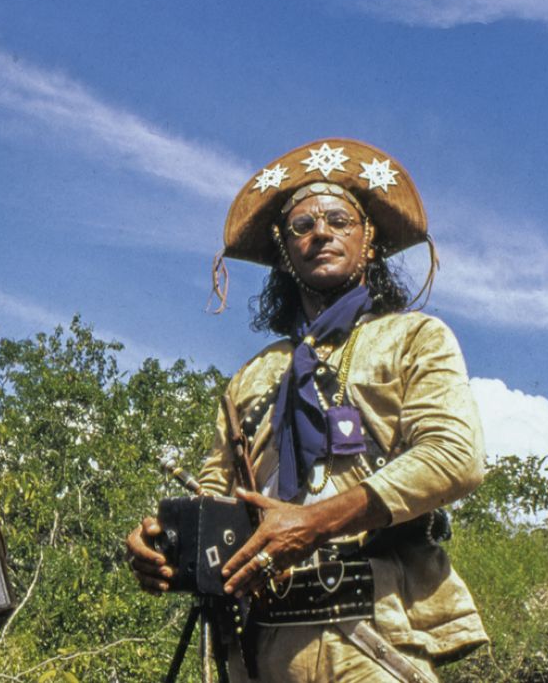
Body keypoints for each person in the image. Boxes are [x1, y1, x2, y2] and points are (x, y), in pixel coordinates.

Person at [126, 139, 488, 682]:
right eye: (301, 226)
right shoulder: (252, 376)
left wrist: (312, 523)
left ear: (368, 241)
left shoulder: (413, 338)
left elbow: (455, 456)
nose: (321, 231)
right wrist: (164, 545)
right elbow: (215, 494)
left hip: (372, 629)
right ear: (284, 253)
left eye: (340, 219)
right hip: (258, 643)